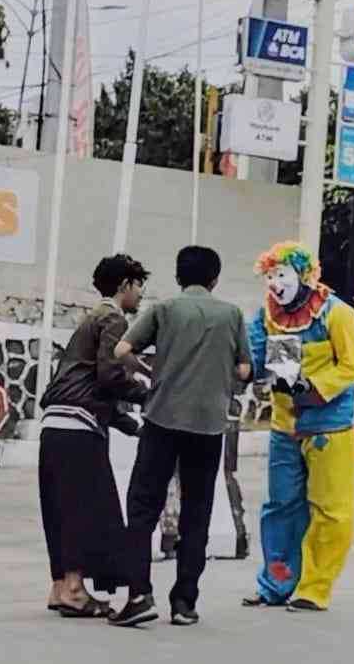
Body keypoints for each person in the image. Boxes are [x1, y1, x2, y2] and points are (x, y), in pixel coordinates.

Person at [111, 246, 252, 628]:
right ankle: (185, 603)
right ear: (215, 279)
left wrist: (150, 372)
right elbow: (243, 369)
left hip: (161, 419)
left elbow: (122, 349)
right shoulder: (232, 315)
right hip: (207, 425)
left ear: (178, 277)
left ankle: (139, 595)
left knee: (143, 507)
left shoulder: (163, 310)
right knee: (197, 511)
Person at [242, 241, 354, 613]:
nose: (275, 284)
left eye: (281, 275)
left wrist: (316, 388)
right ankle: (276, 583)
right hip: (284, 426)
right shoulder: (269, 315)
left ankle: (314, 587)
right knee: (280, 506)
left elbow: (352, 366)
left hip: (329, 427)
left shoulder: (337, 313)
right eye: (269, 277)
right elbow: (256, 358)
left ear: (305, 274)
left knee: (330, 509)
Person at [38, 254, 152, 619]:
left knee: (58, 507)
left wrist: (131, 426)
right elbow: (109, 376)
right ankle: (75, 590)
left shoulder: (89, 320)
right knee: (84, 510)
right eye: (139, 287)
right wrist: (150, 393)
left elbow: (91, 381)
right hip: (79, 428)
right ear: (124, 286)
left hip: (55, 424)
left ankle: (60, 587)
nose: (141, 295)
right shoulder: (113, 318)